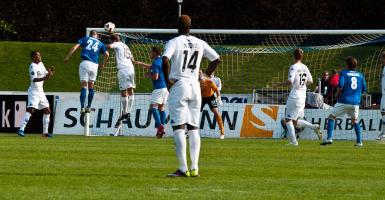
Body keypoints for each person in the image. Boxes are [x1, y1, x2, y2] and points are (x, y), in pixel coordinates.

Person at [162, 15, 220, 177]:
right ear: (191, 26)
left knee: (179, 127)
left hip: (180, 85)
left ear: (177, 26)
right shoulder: (199, 42)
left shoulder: (174, 42)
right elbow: (216, 59)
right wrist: (205, 76)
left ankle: (182, 169)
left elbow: (165, 59)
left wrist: (167, 81)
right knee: (194, 128)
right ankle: (195, 168)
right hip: (195, 86)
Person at [273, 48, 322, 146]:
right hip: (303, 96)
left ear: (293, 56)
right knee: (294, 121)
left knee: (287, 119)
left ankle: (294, 141)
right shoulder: (305, 67)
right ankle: (313, 127)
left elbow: (290, 81)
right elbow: (311, 81)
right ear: (302, 56)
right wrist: (303, 86)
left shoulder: (293, 67)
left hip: (295, 96)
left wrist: (277, 84)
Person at [321, 57, 366, 146]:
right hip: (355, 103)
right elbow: (364, 89)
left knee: (331, 117)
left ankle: (329, 138)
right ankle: (359, 142)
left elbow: (340, 85)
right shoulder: (360, 75)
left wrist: (337, 94)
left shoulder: (344, 73)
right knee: (355, 121)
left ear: (347, 65)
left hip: (344, 100)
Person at [63, 30, 109, 114]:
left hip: (85, 63)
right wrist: (103, 64)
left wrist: (67, 57)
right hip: (94, 65)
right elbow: (107, 54)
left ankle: (82, 107)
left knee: (84, 86)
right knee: (91, 87)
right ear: (97, 36)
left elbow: (74, 47)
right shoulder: (101, 43)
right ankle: (89, 106)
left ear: (90, 34)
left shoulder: (85, 39)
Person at [17, 51, 55, 137]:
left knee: (47, 110)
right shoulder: (32, 66)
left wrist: (49, 74)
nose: (39, 56)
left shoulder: (41, 64)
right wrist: (45, 77)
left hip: (41, 91)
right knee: (31, 109)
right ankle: (21, 129)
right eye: (37, 55)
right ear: (33, 57)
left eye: (40, 55)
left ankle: (45, 133)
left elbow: (45, 75)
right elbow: (34, 79)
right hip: (34, 91)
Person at [135, 47, 168, 138]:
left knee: (153, 107)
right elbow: (152, 67)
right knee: (161, 107)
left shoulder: (155, 62)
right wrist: (140, 63)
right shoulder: (162, 60)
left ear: (154, 52)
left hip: (158, 88)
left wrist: (148, 74)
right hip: (165, 88)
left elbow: (155, 77)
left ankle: (159, 125)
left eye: (150, 52)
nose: (149, 54)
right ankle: (162, 128)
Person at [106, 34, 136, 130]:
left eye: (111, 41)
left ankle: (124, 112)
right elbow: (133, 59)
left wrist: (101, 45)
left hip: (123, 70)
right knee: (131, 90)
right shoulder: (125, 46)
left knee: (124, 92)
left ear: (113, 40)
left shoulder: (117, 44)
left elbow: (110, 46)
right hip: (131, 68)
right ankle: (128, 111)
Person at [199, 70, 224, 139]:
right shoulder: (196, 82)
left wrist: (219, 99)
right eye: (198, 73)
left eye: (200, 73)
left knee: (216, 112)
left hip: (211, 97)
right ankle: (188, 131)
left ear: (203, 74)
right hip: (201, 98)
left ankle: (222, 133)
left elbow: (216, 90)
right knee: (194, 114)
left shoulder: (209, 81)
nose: (199, 74)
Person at [378, 52, 385, 140]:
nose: (380, 60)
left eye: (381, 58)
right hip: (383, 95)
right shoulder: (384, 67)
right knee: (383, 112)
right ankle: (383, 131)